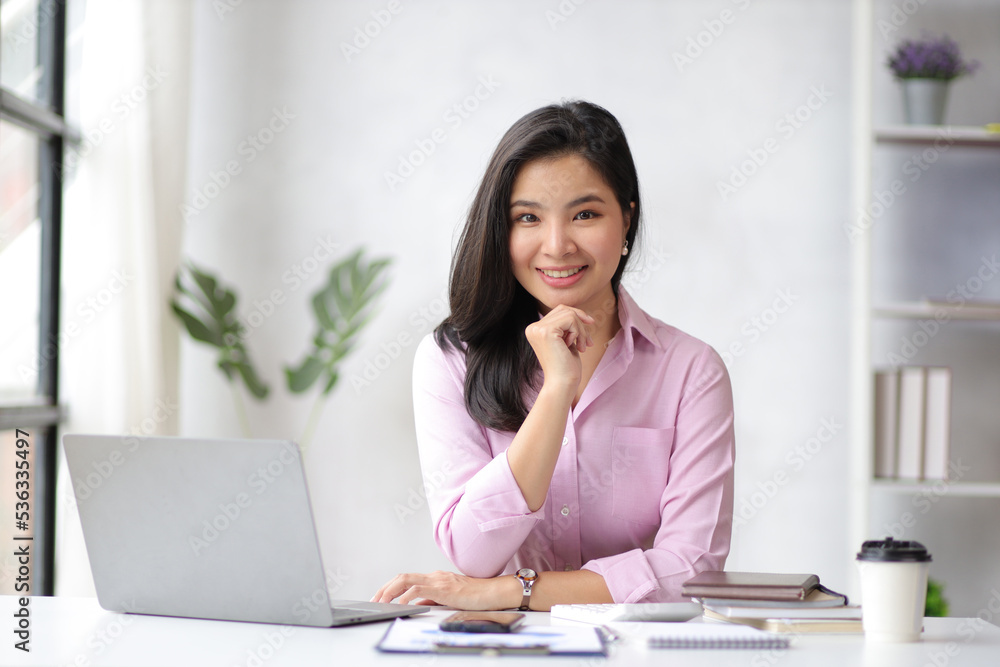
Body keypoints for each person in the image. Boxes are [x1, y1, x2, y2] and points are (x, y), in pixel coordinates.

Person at [373, 100, 734, 611]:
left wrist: (512, 590)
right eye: (527, 218)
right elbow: (472, 551)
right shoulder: (450, 359)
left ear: (627, 220)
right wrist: (556, 391)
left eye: (585, 214)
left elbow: (692, 571)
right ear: (502, 230)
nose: (557, 245)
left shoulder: (692, 372)